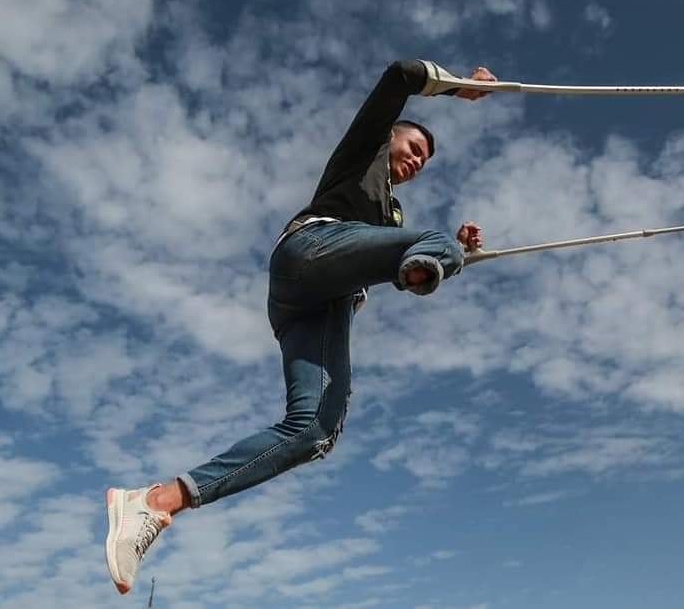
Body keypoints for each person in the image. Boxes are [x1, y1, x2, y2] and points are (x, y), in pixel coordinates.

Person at [104, 59, 497, 594]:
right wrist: (457, 88)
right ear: (391, 138)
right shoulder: (365, 150)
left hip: (322, 308)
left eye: (424, 162)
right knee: (429, 243)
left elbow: (390, 246)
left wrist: (451, 251)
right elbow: (400, 74)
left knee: (315, 432)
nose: (416, 162)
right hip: (309, 253)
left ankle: (154, 503)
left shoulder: (392, 215)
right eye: (413, 150)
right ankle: (428, 261)